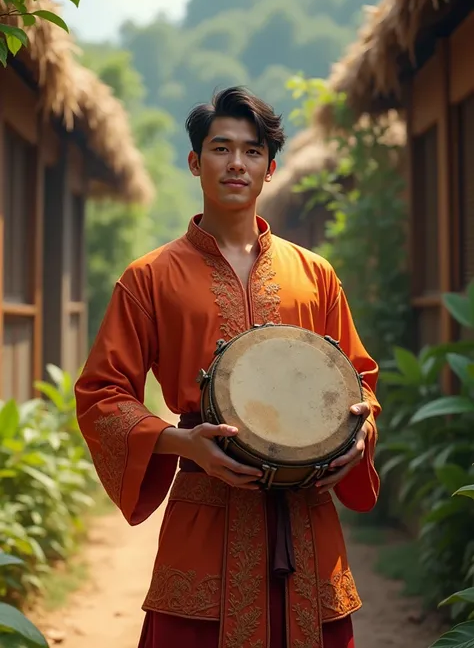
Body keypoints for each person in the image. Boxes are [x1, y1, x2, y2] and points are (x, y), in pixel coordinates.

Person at [75, 86, 381, 648]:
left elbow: (358, 382)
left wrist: (359, 433)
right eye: (220, 148)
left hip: (306, 518)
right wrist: (181, 443)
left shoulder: (316, 275)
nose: (236, 163)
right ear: (195, 162)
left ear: (270, 167)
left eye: (252, 151)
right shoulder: (149, 277)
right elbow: (102, 394)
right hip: (204, 519)